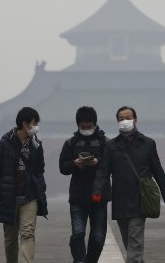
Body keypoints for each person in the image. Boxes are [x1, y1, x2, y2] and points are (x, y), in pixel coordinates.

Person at [92, 106, 165, 263]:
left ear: (135, 119)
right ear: (117, 122)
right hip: (120, 198)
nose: (125, 121)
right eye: (121, 118)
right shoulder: (111, 146)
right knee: (129, 243)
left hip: (140, 199)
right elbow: (103, 171)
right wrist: (97, 190)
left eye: (128, 117)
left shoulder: (148, 143)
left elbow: (158, 170)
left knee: (135, 242)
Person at [0, 107, 48, 263]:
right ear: (24, 123)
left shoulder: (36, 145)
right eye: (34, 123)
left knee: (28, 234)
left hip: (29, 196)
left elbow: (40, 170)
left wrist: (39, 187)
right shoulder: (3, 144)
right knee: (10, 240)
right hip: (8, 197)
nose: (36, 127)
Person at [59, 106, 111, 263]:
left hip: (99, 195)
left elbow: (112, 165)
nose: (86, 129)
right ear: (78, 125)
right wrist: (75, 164)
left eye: (89, 126)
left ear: (95, 124)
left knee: (98, 236)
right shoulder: (71, 143)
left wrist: (98, 162)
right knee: (78, 233)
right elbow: (63, 168)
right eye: (83, 127)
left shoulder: (105, 142)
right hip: (78, 196)